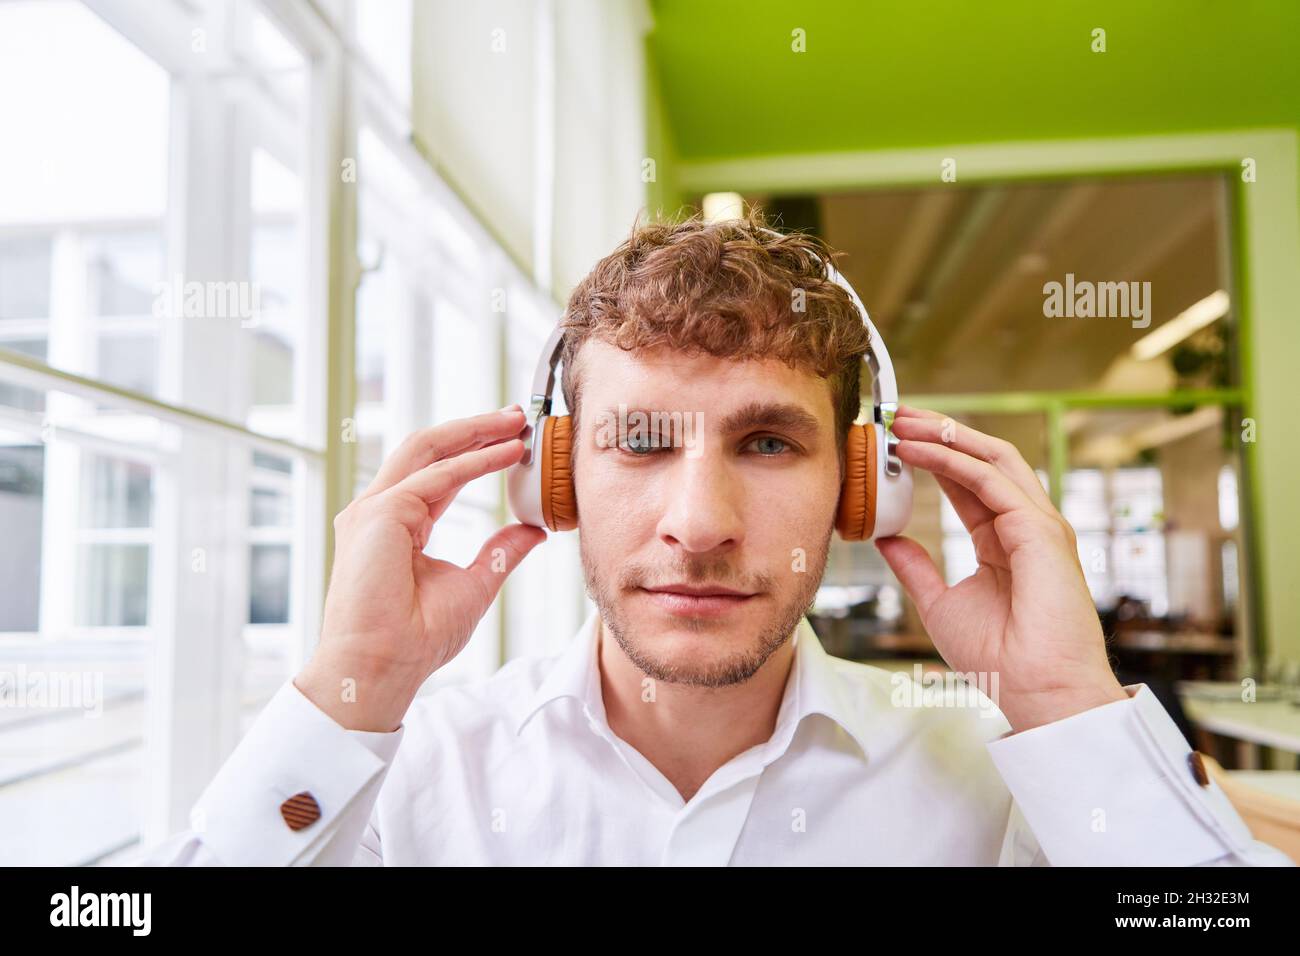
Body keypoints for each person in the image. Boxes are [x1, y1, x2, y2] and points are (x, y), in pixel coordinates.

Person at [144, 210, 1290, 865]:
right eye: (638, 441)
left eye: (768, 443)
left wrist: (1067, 706)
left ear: (863, 485)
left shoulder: (1001, 793)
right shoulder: (409, 776)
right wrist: (349, 694)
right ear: (556, 477)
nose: (697, 523)